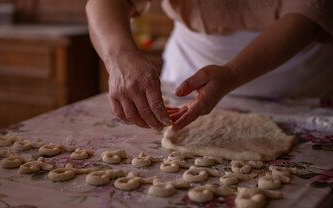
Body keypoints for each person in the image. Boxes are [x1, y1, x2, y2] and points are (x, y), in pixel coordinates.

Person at [85, 0, 333, 132]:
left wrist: (233, 73)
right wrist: (120, 57)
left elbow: (309, 11)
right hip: (189, 66)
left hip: (292, 69)